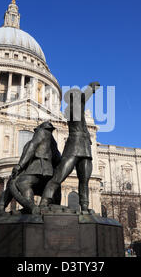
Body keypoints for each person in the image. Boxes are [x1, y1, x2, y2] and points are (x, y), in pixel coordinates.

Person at [40, 82, 100, 212]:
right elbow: (84, 98)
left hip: (85, 147)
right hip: (74, 145)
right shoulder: (73, 108)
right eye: (77, 95)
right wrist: (91, 88)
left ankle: (84, 206)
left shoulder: (77, 108)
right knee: (59, 175)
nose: (79, 97)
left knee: (84, 180)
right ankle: (44, 201)